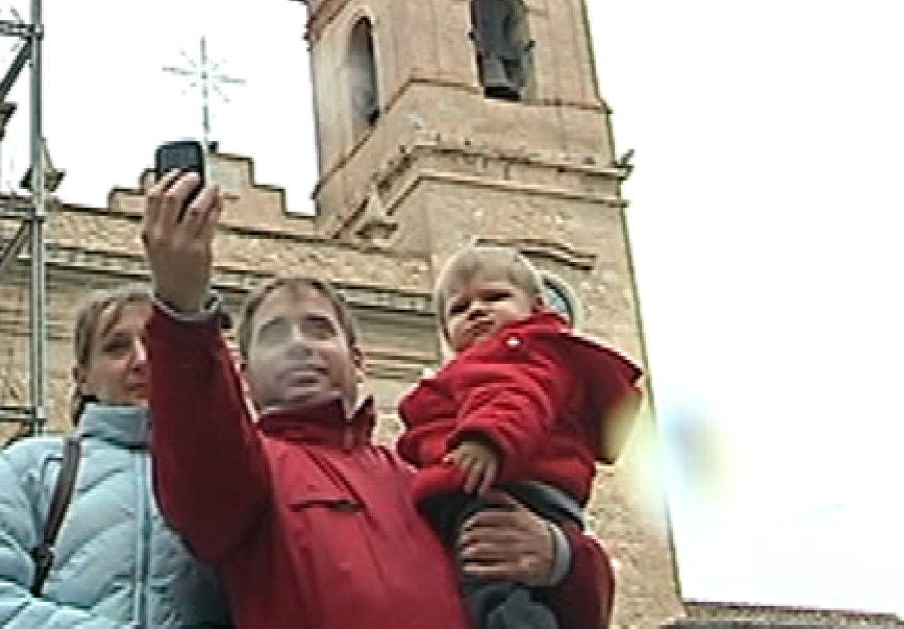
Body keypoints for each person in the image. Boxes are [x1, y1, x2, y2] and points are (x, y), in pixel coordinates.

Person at [139, 172, 614, 629]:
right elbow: (198, 446)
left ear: (357, 359)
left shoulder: (424, 480)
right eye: (274, 335)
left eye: (319, 329)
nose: (300, 345)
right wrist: (183, 311)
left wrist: (562, 559)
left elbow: (581, 606)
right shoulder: (247, 473)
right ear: (243, 373)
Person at [0, 285, 229, 628]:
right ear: (82, 377)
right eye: (117, 348)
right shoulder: (30, 470)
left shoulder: (226, 479)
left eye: (156, 345)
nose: (142, 361)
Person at [396, 244, 643, 628]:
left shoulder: (519, 353)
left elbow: (517, 399)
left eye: (494, 297)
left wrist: (485, 440)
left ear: (538, 307)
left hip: (510, 485)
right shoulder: (487, 363)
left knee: (491, 583)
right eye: (460, 309)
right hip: (508, 487)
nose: (477, 310)